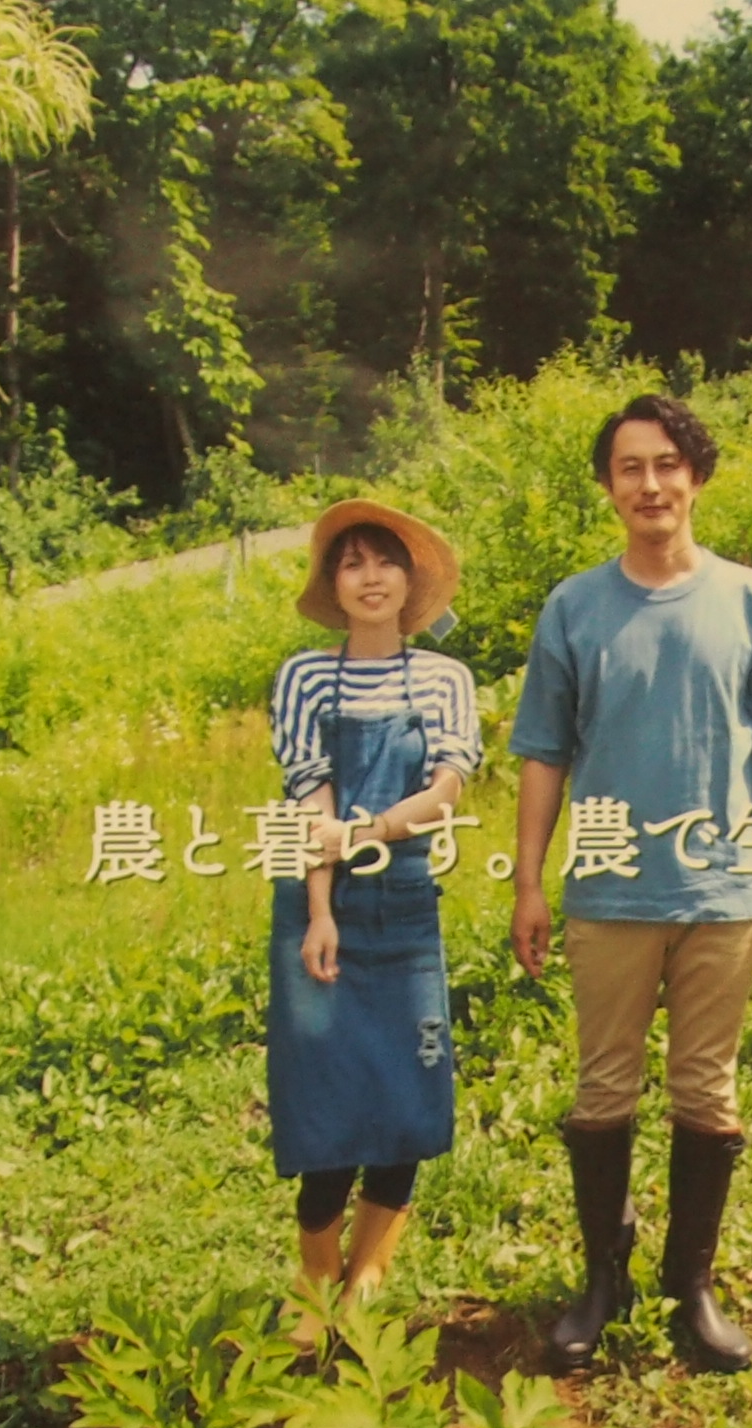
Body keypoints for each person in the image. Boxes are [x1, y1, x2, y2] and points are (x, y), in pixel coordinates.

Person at [507, 390, 752, 1376]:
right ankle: (602, 1281)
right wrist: (527, 884)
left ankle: (691, 1286)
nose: (649, 483)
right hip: (607, 893)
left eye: (665, 465)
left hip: (721, 894)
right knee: (603, 1091)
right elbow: (541, 758)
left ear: (696, 475)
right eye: (628, 468)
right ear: (608, 487)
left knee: (707, 1092)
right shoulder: (575, 607)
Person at [266, 498, 476, 1301]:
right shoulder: (306, 675)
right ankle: (317, 1287)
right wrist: (320, 910)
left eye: (383, 560)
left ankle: (369, 1278)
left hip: (406, 904)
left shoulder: (445, 678)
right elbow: (307, 800)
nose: (369, 576)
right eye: (351, 563)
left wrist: (374, 832)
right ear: (333, 583)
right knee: (322, 1100)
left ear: (410, 577)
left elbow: (447, 791)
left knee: (408, 1093)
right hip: (320, 909)